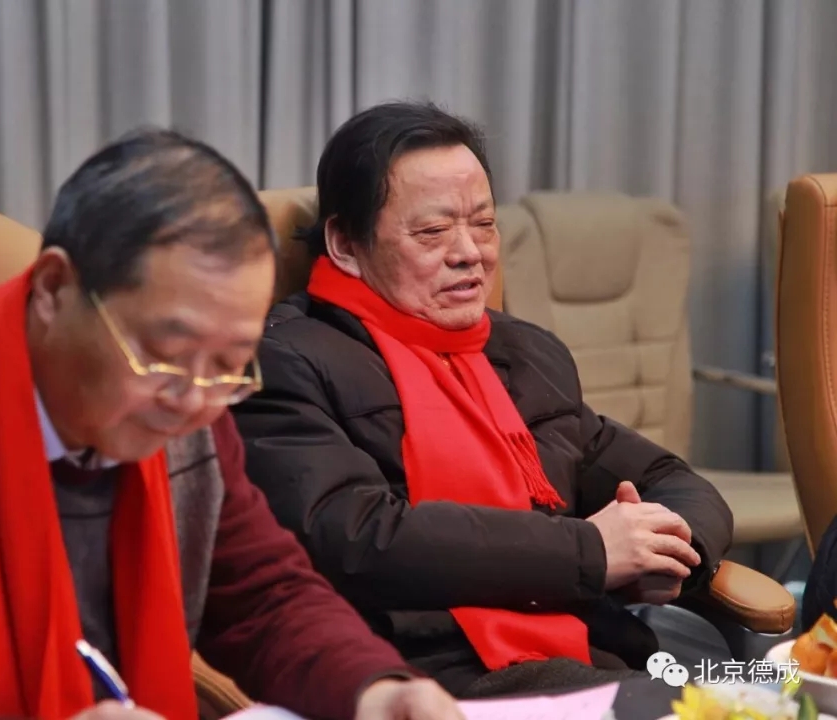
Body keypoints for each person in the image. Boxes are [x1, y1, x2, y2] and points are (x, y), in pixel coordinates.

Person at [0, 128, 463, 720]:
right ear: (53, 289)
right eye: (164, 354)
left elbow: (262, 596)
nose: (194, 399)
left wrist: (376, 689)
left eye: (230, 363)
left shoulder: (189, 416)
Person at [231, 102, 735, 698]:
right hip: (439, 671)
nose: (470, 252)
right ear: (344, 243)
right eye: (433, 232)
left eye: (484, 224)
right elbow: (357, 537)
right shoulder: (283, 360)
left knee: (774, 689)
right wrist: (592, 552)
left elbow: (670, 479)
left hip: (598, 641)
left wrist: (668, 552)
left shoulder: (521, 352)